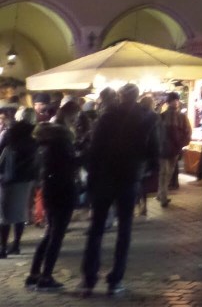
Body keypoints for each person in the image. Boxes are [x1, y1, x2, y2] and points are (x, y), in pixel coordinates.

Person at [80, 83, 160, 296]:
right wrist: (144, 172)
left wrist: (93, 177)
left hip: (105, 178)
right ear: (137, 97)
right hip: (129, 178)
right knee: (124, 230)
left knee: (97, 228)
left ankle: (89, 277)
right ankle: (115, 279)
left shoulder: (106, 117)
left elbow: (94, 150)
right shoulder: (147, 119)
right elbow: (154, 152)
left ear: (120, 96)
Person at [27, 100, 80, 290]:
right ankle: (46, 276)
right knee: (56, 235)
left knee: (50, 232)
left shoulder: (45, 140)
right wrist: (83, 155)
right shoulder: (62, 141)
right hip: (63, 189)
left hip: (49, 188)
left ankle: (34, 273)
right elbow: (69, 164)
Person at [0, 106, 38, 257]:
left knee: (4, 215)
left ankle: (3, 247)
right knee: (20, 213)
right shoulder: (35, 134)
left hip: (8, 176)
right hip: (26, 177)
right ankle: (16, 244)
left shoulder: (11, 133)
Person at [156, 93, 191, 208]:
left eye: (177, 100)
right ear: (168, 102)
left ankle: (161, 193)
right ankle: (163, 196)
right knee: (165, 172)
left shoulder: (180, 116)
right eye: (173, 100)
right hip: (168, 148)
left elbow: (188, 132)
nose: (176, 102)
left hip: (171, 148)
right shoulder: (163, 116)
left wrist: (182, 144)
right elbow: (187, 132)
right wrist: (181, 143)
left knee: (167, 172)